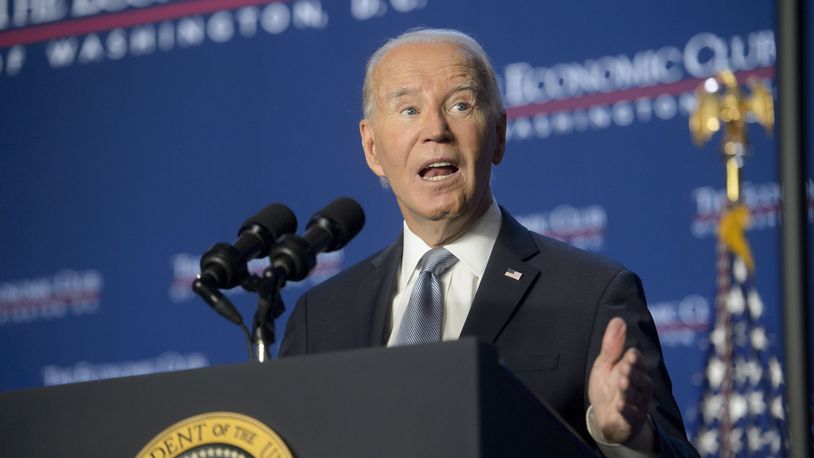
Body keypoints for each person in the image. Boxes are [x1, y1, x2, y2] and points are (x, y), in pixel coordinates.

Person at [280, 28, 698, 457]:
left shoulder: (593, 294)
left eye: (460, 105)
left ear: (498, 135)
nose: (435, 130)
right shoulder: (321, 317)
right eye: (408, 109)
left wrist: (623, 437)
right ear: (371, 148)